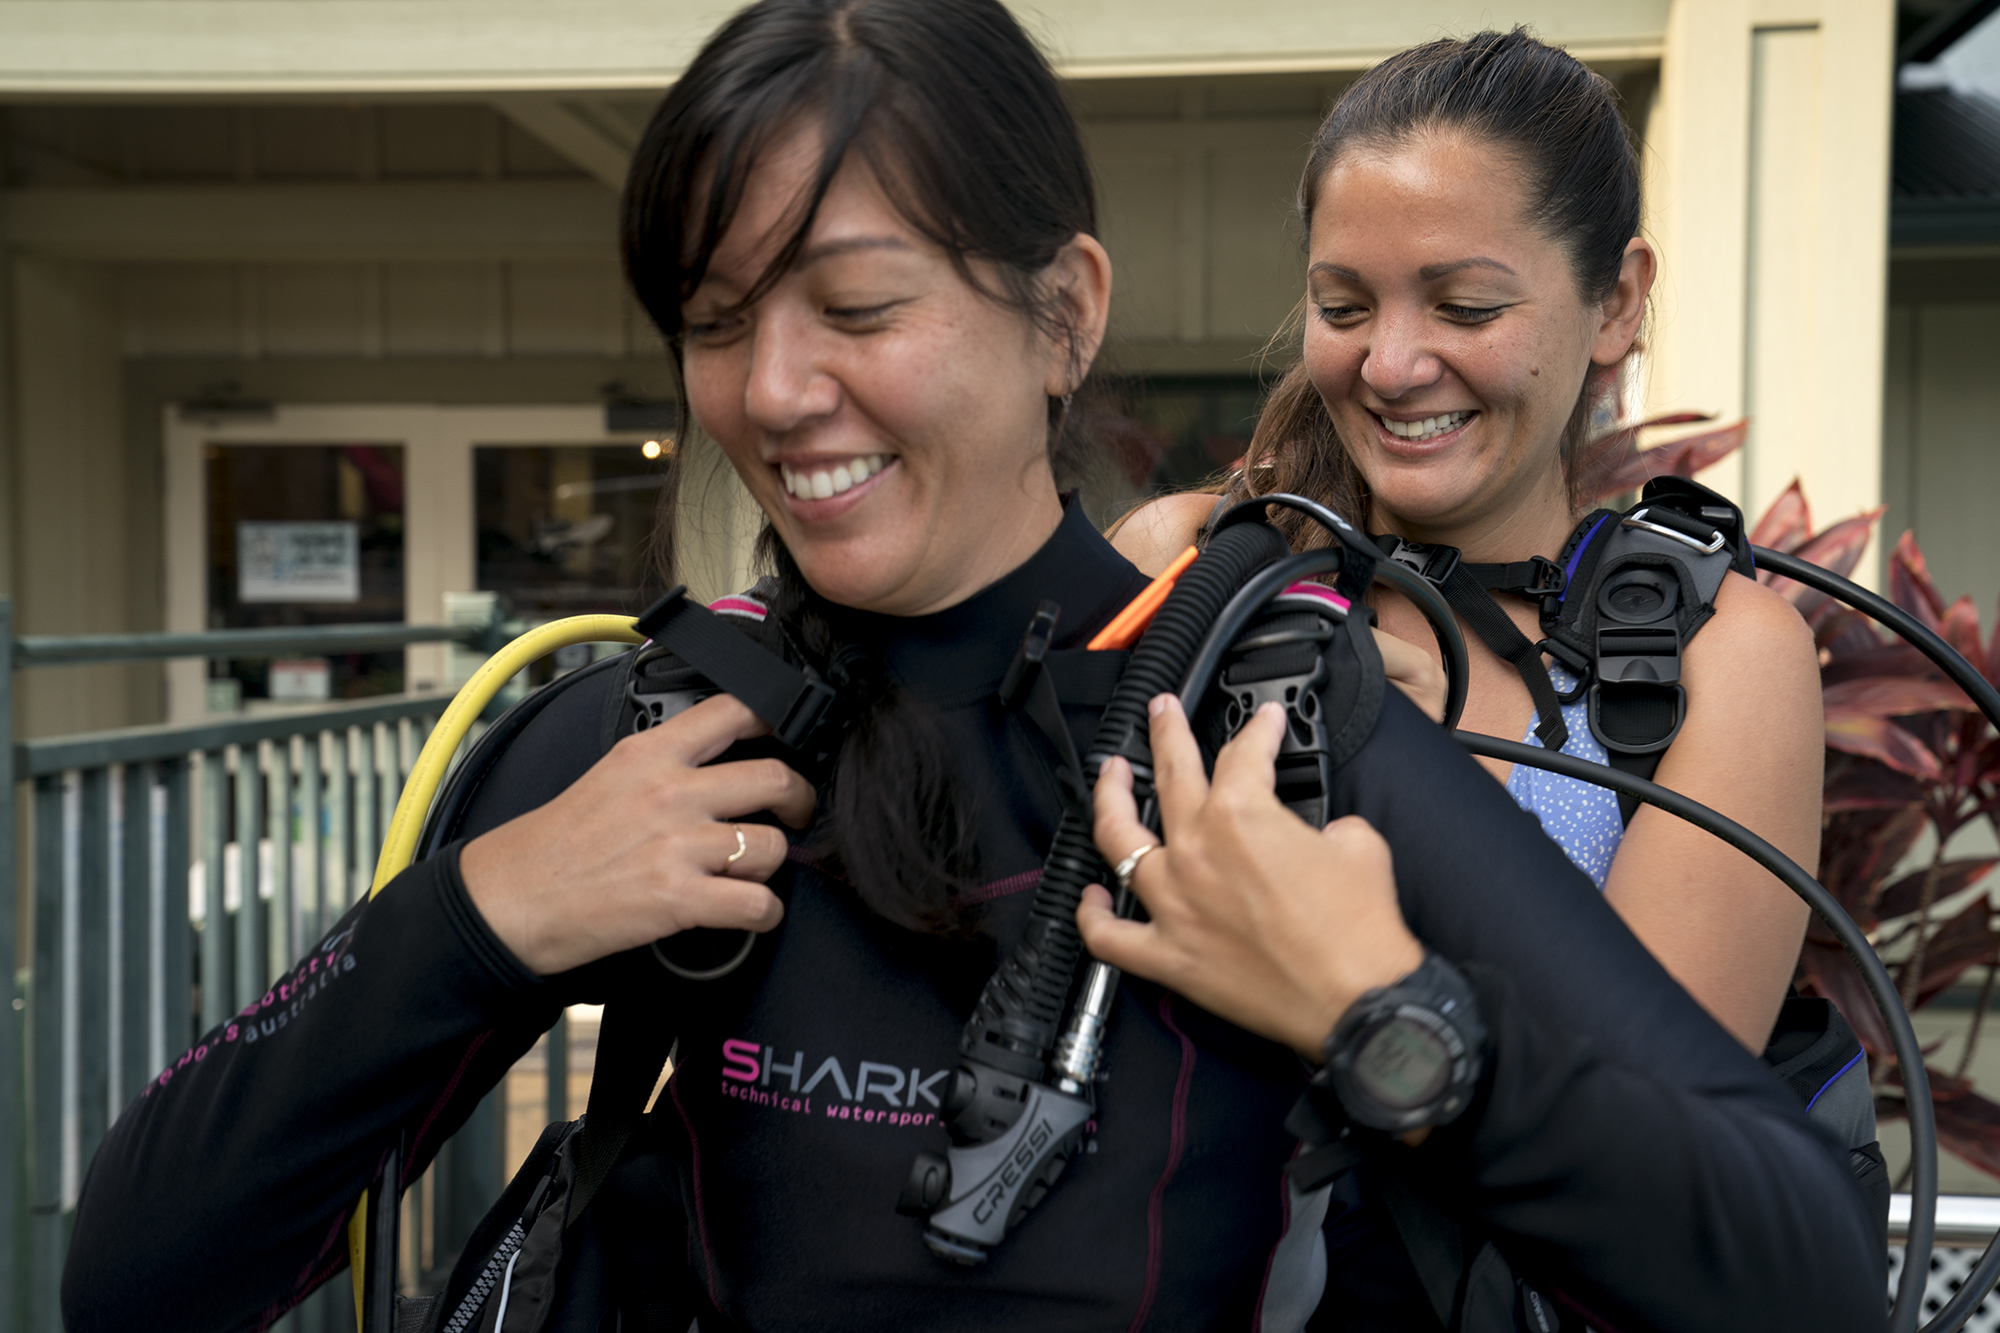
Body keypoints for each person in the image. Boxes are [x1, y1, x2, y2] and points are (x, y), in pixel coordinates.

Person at [62, 5, 1879, 1332]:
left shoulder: (1255, 716)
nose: (772, 392)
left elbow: (1791, 1258)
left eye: (855, 309)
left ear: (1063, 315)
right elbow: (134, 1271)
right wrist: (476, 917)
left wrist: (1381, 1007)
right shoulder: (653, 736)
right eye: (714, 320)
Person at [1111, 30, 1823, 1057]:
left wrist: (1397, 788)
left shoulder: (1716, 658)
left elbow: (1659, 1141)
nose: (1390, 365)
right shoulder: (1188, 564)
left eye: (1465, 306)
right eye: (1342, 305)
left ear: (1614, 302)